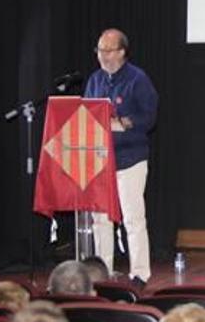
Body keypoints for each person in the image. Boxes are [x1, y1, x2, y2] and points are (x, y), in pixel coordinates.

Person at [85, 28, 158, 289]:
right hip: (100, 159)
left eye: (107, 50)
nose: (102, 56)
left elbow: (149, 117)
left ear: (122, 52)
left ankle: (140, 274)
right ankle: (102, 271)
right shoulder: (94, 80)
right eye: (99, 50)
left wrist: (122, 123)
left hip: (130, 158)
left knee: (132, 217)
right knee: (100, 219)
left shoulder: (138, 79)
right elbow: (87, 114)